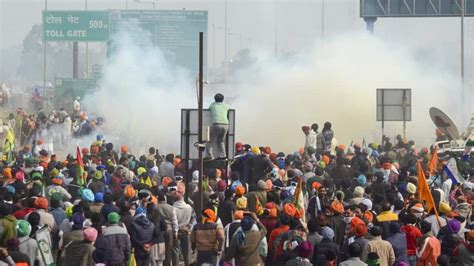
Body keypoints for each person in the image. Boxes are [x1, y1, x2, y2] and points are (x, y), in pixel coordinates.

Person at [205, 93, 230, 160]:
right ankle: (223, 156)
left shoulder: (212, 105)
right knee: (221, 141)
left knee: (210, 141)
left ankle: (210, 156)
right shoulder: (226, 106)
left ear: (214, 99)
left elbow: (208, 111)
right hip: (226, 125)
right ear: (223, 99)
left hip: (217, 124)